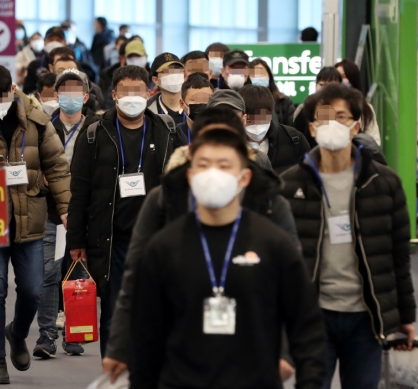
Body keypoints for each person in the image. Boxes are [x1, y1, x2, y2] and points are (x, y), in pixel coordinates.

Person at [103, 107, 302, 383]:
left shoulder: (267, 199)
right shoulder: (165, 198)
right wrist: (120, 346)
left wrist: (285, 350)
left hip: (250, 342)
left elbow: (292, 285)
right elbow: (136, 276)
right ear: (193, 148)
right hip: (179, 339)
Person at [280, 83, 416, 388]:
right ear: (312, 128)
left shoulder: (384, 182)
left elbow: (397, 256)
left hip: (366, 316)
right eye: (323, 117)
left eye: (340, 117)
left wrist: (406, 317)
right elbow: (282, 260)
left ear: (356, 126)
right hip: (314, 314)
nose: (332, 124)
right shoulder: (289, 184)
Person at [0, 64, 71, 384]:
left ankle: (16, 334)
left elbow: (57, 166)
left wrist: (65, 208)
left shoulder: (36, 118)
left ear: (13, 90)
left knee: (33, 289)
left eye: (0, 97)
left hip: (29, 215)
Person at [67, 65, 187, 358]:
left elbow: (183, 186)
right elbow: (79, 190)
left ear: (149, 93)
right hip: (111, 241)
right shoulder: (95, 132)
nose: (132, 97)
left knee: (156, 309)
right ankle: (115, 373)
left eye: (138, 91)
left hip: (156, 239)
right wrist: (75, 241)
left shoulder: (167, 130)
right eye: (125, 91)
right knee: (114, 311)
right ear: (114, 95)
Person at [34, 69, 100, 359]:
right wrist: (40, 177)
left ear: (85, 97)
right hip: (50, 211)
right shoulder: (42, 128)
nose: (70, 97)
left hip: (85, 213)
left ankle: (74, 333)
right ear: (56, 96)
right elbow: (27, 167)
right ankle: (46, 334)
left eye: (76, 91)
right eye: (64, 91)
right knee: (48, 273)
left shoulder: (98, 129)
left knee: (78, 275)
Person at [238, 85, 310, 173]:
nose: (256, 124)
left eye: (262, 118)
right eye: (250, 119)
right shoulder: (230, 143)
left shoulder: (293, 139)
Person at [293, 67, 342, 148]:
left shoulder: (346, 110)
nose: (325, 89)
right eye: (322, 85)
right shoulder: (305, 109)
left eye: (331, 86)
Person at [335, 58, 381, 145]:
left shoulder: (365, 108)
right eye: (337, 78)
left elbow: (374, 141)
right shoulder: (325, 107)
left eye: (344, 77)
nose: (340, 82)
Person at [249, 58, 296, 127]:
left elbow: (292, 129)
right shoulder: (243, 102)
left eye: (262, 74)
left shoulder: (284, 101)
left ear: (269, 76)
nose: (258, 78)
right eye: (254, 75)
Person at [22, 27, 70, 94]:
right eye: (51, 40)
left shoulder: (72, 65)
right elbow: (27, 92)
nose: (54, 42)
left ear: (64, 43)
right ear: (44, 41)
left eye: (58, 40)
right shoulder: (34, 65)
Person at [146, 52, 186, 127]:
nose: (174, 75)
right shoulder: (147, 112)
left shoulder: (194, 106)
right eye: (167, 71)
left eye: (177, 70)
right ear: (155, 80)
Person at [178, 73, 214, 142]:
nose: (202, 103)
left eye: (206, 99)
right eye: (195, 99)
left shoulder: (224, 135)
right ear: (182, 103)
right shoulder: (173, 135)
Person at [99, 42, 127, 110]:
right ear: (122, 58)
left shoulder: (149, 76)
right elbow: (106, 105)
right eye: (131, 57)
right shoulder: (107, 76)